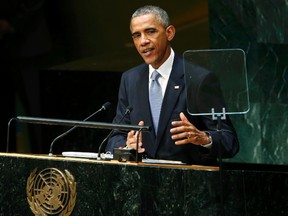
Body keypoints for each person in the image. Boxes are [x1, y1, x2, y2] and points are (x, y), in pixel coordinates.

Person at [106, 5, 239, 165]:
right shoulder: (130, 79)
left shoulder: (198, 79)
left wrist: (203, 138)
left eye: (150, 31)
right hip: (142, 182)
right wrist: (127, 145)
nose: (143, 41)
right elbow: (116, 136)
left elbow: (229, 141)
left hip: (187, 183)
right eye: (136, 35)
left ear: (169, 33)